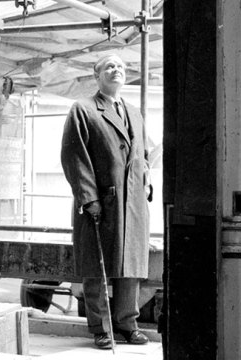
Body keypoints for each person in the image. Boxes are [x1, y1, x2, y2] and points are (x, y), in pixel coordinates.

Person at [60, 54, 152, 349]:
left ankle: (127, 323)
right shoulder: (83, 110)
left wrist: (147, 182)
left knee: (131, 266)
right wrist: (89, 198)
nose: (116, 71)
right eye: (109, 67)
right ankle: (101, 328)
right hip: (101, 202)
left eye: (121, 67)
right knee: (96, 264)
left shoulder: (134, 112)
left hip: (134, 202)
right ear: (96, 75)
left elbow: (142, 155)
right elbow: (74, 158)